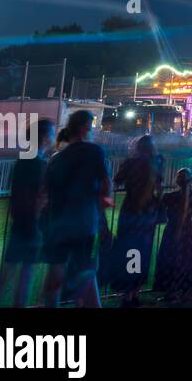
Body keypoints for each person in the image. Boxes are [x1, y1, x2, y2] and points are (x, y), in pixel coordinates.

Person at [42, 110, 111, 308]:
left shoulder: (56, 159)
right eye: (92, 127)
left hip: (58, 226)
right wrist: (102, 220)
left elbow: (47, 193)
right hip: (84, 225)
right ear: (84, 128)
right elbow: (105, 187)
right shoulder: (93, 152)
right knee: (87, 275)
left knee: (55, 276)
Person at [0, 118, 55, 307]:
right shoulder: (35, 162)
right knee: (24, 276)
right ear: (43, 137)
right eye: (51, 133)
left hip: (21, 222)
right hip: (30, 224)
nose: (53, 137)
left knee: (10, 271)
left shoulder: (25, 159)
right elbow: (33, 194)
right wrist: (35, 214)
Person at [109, 134, 162, 306]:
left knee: (129, 250)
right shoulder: (157, 162)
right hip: (148, 211)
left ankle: (127, 293)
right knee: (142, 251)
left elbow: (116, 181)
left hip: (131, 210)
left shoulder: (130, 163)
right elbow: (159, 187)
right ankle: (135, 290)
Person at [153, 168, 192, 300]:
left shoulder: (171, 197)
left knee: (170, 260)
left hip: (173, 231)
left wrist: (159, 189)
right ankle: (186, 290)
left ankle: (171, 292)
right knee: (187, 260)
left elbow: (159, 201)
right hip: (188, 231)